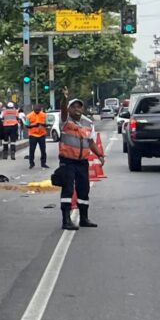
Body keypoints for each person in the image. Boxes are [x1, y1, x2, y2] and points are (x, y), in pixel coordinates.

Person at [57, 87, 105, 230]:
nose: (76, 109)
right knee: (68, 189)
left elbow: (90, 142)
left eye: (79, 106)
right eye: (73, 106)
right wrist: (64, 98)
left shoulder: (88, 123)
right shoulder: (65, 120)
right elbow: (63, 110)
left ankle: (84, 218)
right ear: (69, 109)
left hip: (82, 161)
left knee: (84, 189)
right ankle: (66, 220)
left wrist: (99, 155)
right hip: (67, 160)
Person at [26, 104, 49, 169]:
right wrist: (34, 125)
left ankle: (43, 163)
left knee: (43, 150)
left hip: (42, 134)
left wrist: (42, 124)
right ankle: (31, 163)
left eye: (38, 110)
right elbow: (27, 125)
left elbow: (47, 124)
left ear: (40, 109)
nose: (37, 112)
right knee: (32, 150)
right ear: (33, 109)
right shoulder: (29, 116)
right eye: (36, 110)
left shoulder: (44, 115)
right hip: (33, 135)